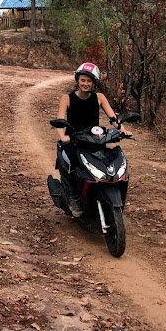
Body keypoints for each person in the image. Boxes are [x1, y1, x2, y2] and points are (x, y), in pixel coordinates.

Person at [55, 62, 131, 217]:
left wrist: (121, 129)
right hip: (73, 141)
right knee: (71, 163)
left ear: (94, 82)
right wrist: (63, 136)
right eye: (83, 80)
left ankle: (106, 194)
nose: (85, 84)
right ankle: (73, 198)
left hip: (95, 140)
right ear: (77, 80)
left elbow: (112, 118)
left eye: (89, 81)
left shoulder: (99, 98)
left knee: (109, 162)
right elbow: (60, 120)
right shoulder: (67, 98)